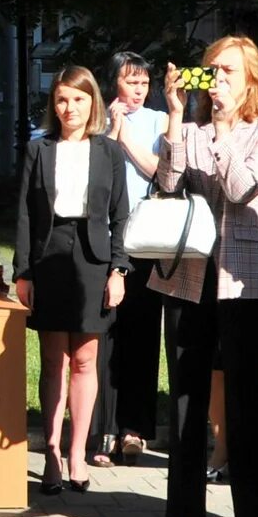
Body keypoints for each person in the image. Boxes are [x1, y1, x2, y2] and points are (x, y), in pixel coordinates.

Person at [154, 36, 258, 517]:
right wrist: (173, 118)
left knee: (247, 399)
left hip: (247, 279)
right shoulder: (190, 129)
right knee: (186, 396)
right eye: (211, 71)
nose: (218, 81)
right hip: (191, 274)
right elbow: (167, 184)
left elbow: (239, 188)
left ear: (253, 78)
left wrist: (228, 127)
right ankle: (181, 512)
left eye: (229, 72)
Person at [14, 67, 131, 496]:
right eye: (62, 100)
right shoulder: (38, 149)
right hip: (48, 257)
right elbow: (25, 214)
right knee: (53, 361)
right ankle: (50, 453)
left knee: (85, 359)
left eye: (79, 99)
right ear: (54, 105)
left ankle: (78, 452)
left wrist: (118, 270)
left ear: (93, 103)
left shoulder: (108, 152)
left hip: (94, 258)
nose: (70, 108)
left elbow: (121, 216)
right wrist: (22, 271)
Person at [97, 54, 171, 461]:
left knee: (142, 336)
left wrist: (125, 135)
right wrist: (111, 128)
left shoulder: (159, 121)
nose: (139, 90)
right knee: (105, 338)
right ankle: (103, 428)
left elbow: (160, 172)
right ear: (114, 84)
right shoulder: (97, 119)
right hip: (103, 238)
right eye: (131, 82)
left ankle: (135, 429)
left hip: (143, 240)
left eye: (144, 82)